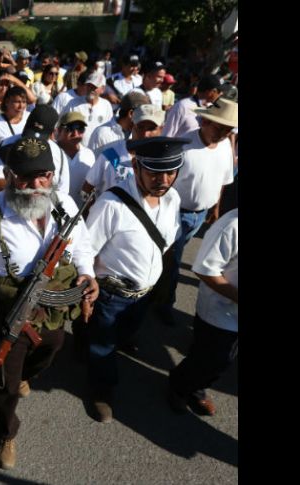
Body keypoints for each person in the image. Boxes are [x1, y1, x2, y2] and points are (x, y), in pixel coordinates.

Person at [0, 135, 98, 468]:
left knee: (53, 347)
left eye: (43, 176)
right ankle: (5, 430)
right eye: (25, 177)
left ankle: (24, 376)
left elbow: (82, 246)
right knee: (5, 383)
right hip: (7, 315)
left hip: (51, 311)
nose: (35, 185)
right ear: (8, 176)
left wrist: (87, 273)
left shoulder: (65, 204)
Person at [84, 136, 189, 423]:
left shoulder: (173, 199)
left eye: (170, 172)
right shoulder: (111, 204)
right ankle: (101, 390)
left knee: (125, 332)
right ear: (135, 165)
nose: (163, 180)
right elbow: (86, 251)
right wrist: (86, 291)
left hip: (145, 293)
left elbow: (167, 241)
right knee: (102, 346)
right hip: (111, 294)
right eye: (154, 172)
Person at [155, 98, 237, 325]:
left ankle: (157, 293)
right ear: (205, 122)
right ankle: (163, 304)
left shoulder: (225, 146)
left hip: (200, 215)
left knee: (172, 259)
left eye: (228, 130)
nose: (223, 134)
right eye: (219, 128)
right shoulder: (184, 146)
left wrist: (215, 207)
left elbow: (223, 180)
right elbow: (165, 184)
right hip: (176, 213)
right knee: (173, 261)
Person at [168, 208, 238, 416]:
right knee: (211, 359)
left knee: (225, 359)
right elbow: (205, 269)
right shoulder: (231, 226)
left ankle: (196, 388)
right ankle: (179, 387)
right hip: (220, 313)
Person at [81, 104, 165, 200]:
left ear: (161, 129)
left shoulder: (164, 158)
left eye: (151, 128)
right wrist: (93, 208)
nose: (145, 134)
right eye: (140, 127)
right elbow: (86, 188)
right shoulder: (111, 154)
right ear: (132, 125)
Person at [61, 71, 114, 149]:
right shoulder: (73, 103)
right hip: (76, 151)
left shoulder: (106, 105)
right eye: (89, 85)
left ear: (102, 89)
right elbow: (63, 126)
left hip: (98, 151)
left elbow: (109, 130)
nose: (91, 89)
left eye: (94, 87)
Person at [56, 112, 96, 207]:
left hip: (80, 213)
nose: (75, 133)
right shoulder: (51, 152)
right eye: (70, 128)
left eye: (80, 129)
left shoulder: (89, 155)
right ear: (59, 130)